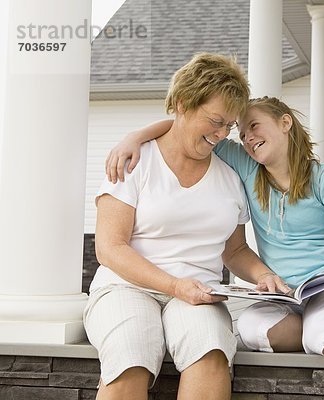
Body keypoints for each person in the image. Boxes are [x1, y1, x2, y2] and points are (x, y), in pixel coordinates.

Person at [105, 96, 324, 357]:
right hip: (284, 293)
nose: (247, 138)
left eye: (254, 126)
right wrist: (134, 137)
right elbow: (188, 128)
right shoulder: (245, 165)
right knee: (253, 332)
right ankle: (321, 328)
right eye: (242, 133)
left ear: (285, 123)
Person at [85, 54, 288, 400]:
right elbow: (109, 248)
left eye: (229, 125)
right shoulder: (135, 161)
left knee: (210, 354)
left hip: (199, 294)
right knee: (130, 356)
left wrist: (263, 275)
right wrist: (174, 285)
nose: (222, 134)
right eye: (215, 121)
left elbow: (235, 250)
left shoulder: (230, 175)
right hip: (126, 287)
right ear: (182, 104)